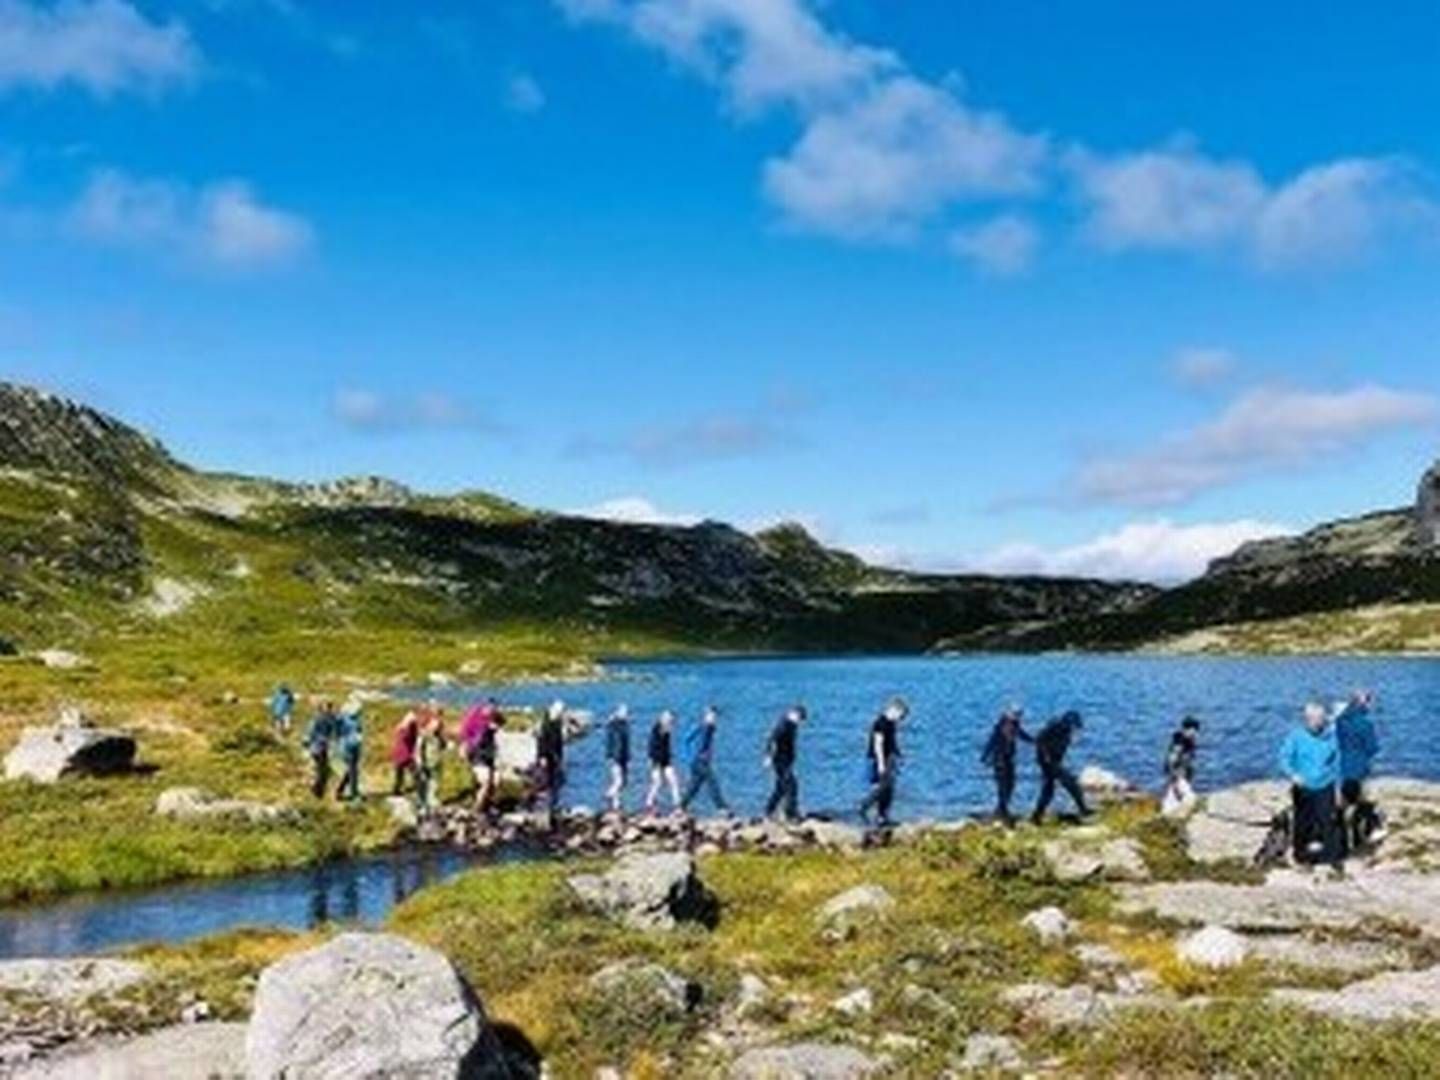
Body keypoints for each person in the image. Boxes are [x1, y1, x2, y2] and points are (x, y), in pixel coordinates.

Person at [1280, 702, 1345, 869]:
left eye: (1319, 719)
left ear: (1324, 720)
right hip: (1303, 787)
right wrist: (1294, 775)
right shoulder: (1296, 736)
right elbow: (1284, 758)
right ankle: (1301, 856)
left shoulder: (1332, 737)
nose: (1316, 722)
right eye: (1312, 719)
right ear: (1306, 720)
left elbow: (1338, 763)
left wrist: (1338, 787)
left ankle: (1332, 857)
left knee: (1329, 822)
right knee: (1303, 822)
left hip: (1325, 785)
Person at [1335, 691, 1382, 849]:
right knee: (1363, 805)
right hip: (1360, 769)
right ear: (1364, 703)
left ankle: (1340, 837)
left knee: (1344, 803)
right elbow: (1372, 748)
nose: (1370, 705)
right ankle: (1361, 839)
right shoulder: (1365, 723)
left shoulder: (1340, 720)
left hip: (1342, 768)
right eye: (1368, 701)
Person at [1031, 711, 1091, 825]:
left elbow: (1061, 747)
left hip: (1055, 761)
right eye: (1073, 725)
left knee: (1048, 791)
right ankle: (1083, 809)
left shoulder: (1067, 731)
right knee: (1071, 784)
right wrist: (1046, 757)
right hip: (1048, 763)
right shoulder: (1054, 726)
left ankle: (1036, 817)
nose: (1074, 729)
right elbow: (1039, 740)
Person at [858, 698, 907, 827]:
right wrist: (880, 764)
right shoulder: (880, 723)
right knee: (882, 788)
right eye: (900, 716)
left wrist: (898, 753)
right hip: (876, 759)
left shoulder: (891, 723)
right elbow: (877, 744)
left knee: (890, 789)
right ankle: (864, 806)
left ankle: (883, 817)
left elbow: (892, 741)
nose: (900, 720)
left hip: (888, 758)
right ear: (894, 710)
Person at [981, 706, 1032, 825]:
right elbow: (992, 741)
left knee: (1011, 785)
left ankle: (1001, 810)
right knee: (1003, 787)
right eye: (1016, 714)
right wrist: (985, 757)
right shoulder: (1001, 726)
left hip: (1009, 760)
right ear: (1008, 714)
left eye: (1019, 714)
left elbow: (1022, 735)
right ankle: (1002, 812)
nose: (1018, 717)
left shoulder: (1015, 725)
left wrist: (1036, 741)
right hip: (1000, 761)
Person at [681, 706, 730, 816]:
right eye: (712, 716)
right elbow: (687, 739)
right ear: (706, 716)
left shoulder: (709, 727)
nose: (714, 718)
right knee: (712, 783)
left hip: (700, 761)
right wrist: (690, 756)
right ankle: (722, 808)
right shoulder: (705, 727)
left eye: (715, 716)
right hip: (699, 761)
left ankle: (681, 807)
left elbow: (693, 740)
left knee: (694, 786)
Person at [764, 705, 805, 822]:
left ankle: (769, 811)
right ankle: (790, 814)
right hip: (780, 760)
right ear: (794, 714)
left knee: (781, 787)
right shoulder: (784, 725)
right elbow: (772, 740)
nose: (800, 722)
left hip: (786, 760)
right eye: (800, 718)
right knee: (791, 786)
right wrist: (768, 756)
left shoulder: (791, 725)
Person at [535, 700, 567, 827]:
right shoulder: (546, 723)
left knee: (557, 783)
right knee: (546, 783)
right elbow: (542, 741)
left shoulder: (556, 722)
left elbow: (559, 743)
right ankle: (544, 810)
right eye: (560, 712)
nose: (561, 714)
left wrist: (561, 759)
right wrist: (542, 757)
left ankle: (552, 808)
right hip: (547, 757)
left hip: (555, 757)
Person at [1161, 717, 1202, 815]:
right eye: (1193, 730)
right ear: (1186, 729)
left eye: (1196, 731)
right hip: (1178, 776)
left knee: (1172, 800)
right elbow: (1172, 761)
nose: (1195, 733)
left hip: (1182, 775)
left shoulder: (1188, 742)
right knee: (1190, 799)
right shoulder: (1179, 743)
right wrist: (1175, 779)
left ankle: (1168, 817)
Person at [645, 710, 682, 815]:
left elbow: (666, 747)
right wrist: (653, 761)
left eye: (671, 720)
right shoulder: (657, 729)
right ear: (662, 718)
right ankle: (649, 803)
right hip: (656, 760)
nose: (670, 722)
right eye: (668, 719)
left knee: (674, 781)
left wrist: (670, 757)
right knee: (657, 782)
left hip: (666, 760)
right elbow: (652, 746)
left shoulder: (667, 730)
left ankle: (677, 805)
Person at [415, 709, 447, 820]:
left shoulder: (438, 734)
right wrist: (419, 761)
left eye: (439, 725)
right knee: (423, 783)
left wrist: (443, 741)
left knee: (434, 781)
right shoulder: (424, 734)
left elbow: (443, 745)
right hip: (426, 761)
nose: (437, 726)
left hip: (436, 761)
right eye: (436, 725)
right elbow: (418, 748)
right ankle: (422, 804)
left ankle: (432, 800)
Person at [305, 700, 338, 798]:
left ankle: (318, 790)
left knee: (324, 771)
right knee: (322, 770)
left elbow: (334, 732)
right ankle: (317, 790)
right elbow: (311, 732)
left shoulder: (330, 719)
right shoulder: (318, 719)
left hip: (322, 748)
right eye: (327, 708)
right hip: (317, 748)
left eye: (330, 708)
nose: (329, 710)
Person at [604, 705, 632, 814]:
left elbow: (625, 743)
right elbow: (615, 743)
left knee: (622, 781)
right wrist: (614, 758)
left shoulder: (624, 725)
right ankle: (609, 794)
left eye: (627, 712)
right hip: (616, 757)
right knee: (619, 781)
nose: (627, 715)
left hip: (623, 757)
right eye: (625, 713)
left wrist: (627, 756)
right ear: (618, 713)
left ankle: (616, 804)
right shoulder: (614, 726)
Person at [336, 699, 365, 802]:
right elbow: (338, 731)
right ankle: (354, 794)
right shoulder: (344, 719)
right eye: (358, 710)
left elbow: (358, 733)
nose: (360, 712)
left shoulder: (355, 719)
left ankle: (339, 791)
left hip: (354, 748)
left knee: (351, 771)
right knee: (353, 772)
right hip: (347, 748)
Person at [390, 707, 422, 796]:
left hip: (398, 752)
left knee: (399, 773)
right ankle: (418, 787)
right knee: (415, 772)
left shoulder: (401, 727)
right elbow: (411, 739)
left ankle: (396, 790)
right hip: (406, 753)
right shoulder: (410, 728)